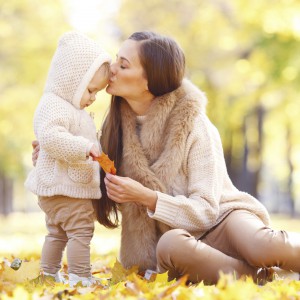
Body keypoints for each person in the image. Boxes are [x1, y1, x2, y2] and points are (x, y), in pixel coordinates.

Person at [32, 31, 300, 285]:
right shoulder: (113, 131)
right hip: (179, 244)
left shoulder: (193, 123)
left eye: (123, 65)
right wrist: (54, 159)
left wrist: (147, 197)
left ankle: (260, 266)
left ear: (149, 81)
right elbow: (95, 192)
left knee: (263, 246)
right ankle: (262, 277)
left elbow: (207, 211)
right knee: (172, 246)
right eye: (116, 59)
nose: (112, 68)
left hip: (223, 220)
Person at [25, 31, 111, 287]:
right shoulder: (53, 104)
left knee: (58, 233)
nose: (93, 98)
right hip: (67, 190)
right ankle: (80, 277)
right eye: (90, 90)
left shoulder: (69, 108)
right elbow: (51, 138)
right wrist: (86, 147)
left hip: (60, 187)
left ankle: (49, 274)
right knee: (81, 231)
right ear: (72, 80)